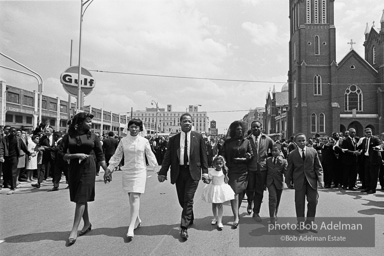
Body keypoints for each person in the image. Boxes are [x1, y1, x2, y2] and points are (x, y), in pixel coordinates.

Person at [157, 113, 209, 241]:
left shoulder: (198, 137)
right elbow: (168, 157)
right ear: (180, 123)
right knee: (182, 199)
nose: (187, 123)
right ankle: (189, 216)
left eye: (189, 121)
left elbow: (204, 156)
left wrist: (205, 172)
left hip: (193, 173)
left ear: (192, 123)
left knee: (188, 198)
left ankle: (183, 227)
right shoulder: (173, 139)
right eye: (184, 121)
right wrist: (162, 172)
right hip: (179, 172)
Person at [105, 119, 158, 241]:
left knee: (135, 197)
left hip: (140, 171)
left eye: (136, 127)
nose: (134, 129)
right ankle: (137, 220)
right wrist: (110, 168)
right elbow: (117, 155)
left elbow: (150, 155)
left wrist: (157, 169)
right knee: (131, 197)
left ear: (140, 129)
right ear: (128, 128)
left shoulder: (144, 141)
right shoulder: (123, 141)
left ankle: (131, 226)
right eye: (132, 127)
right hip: (127, 171)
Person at [62, 112, 107, 246]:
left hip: (88, 167)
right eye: (87, 121)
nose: (90, 123)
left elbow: (100, 155)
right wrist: (75, 155)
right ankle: (87, 224)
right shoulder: (68, 137)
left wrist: (107, 170)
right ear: (79, 123)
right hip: (74, 168)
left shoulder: (93, 136)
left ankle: (74, 230)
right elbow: (61, 154)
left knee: (81, 197)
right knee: (79, 197)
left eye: (90, 121)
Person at [285, 133, 323, 232]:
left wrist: (321, 180)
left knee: (313, 201)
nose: (302, 142)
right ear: (295, 142)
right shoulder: (292, 154)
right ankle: (300, 224)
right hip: (299, 181)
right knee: (299, 203)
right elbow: (289, 169)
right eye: (299, 141)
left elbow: (318, 167)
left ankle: (310, 223)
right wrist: (288, 181)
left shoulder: (313, 151)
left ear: (306, 141)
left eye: (303, 140)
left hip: (311, 181)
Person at [222, 120, 253, 229]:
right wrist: (223, 165)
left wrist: (248, 156)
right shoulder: (228, 142)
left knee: (241, 192)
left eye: (241, 129)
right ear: (234, 130)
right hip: (232, 170)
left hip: (244, 170)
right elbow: (222, 155)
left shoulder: (247, 142)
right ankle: (236, 216)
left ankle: (237, 210)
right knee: (234, 192)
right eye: (237, 129)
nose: (239, 131)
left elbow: (251, 155)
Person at [245, 120, 273, 222]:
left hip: (262, 169)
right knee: (249, 189)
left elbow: (276, 151)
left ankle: (256, 212)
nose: (255, 128)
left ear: (261, 128)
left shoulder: (268, 139)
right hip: (250, 168)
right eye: (253, 127)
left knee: (259, 191)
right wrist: (246, 156)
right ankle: (249, 202)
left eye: (257, 127)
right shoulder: (246, 140)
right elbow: (242, 153)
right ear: (251, 128)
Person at [201, 155, 234, 231]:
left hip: (221, 188)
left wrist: (226, 175)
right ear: (214, 164)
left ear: (223, 163)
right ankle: (215, 217)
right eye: (217, 164)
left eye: (220, 163)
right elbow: (209, 181)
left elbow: (226, 181)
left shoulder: (224, 171)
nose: (219, 165)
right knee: (214, 204)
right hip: (214, 188)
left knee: (220, 205)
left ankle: (220, 221)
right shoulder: (212, 172)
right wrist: (206, 179)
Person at [1, 127, 31, 195]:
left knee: (13, 171)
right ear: (10, 132)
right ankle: (6, 184)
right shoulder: (5, 139)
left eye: (15, 132)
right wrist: (1, 156)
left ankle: (13, 186)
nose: (13, 133)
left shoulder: (18, 139)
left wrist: (28, 153)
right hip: (6, 156)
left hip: (14, 157)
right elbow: (1, 148)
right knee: (6, 171)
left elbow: (23, 147)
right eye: (12, 131)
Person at [266, 144, 287, 223]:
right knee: (273, 198)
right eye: (272, 151)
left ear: (280, 151)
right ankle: (272, 217)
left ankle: (275, 214)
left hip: (279, 182)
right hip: (270, 182)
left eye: (276, 151)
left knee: (277, 199)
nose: (274, 152)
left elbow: (286, 172)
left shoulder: (283, 161)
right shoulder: (268, 160)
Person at [359, 128, 382, 194]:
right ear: (365, 133)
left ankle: (372, 189)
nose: (369, 133)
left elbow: (380, 144)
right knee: (367, 174)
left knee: (373, 175)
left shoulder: (375, 139)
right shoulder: (364, 140)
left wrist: (378, 147)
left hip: (374, 160)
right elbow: (362, 148)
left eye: (370, 132)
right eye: (367, 132)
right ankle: (367, 187)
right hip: (366, 159)